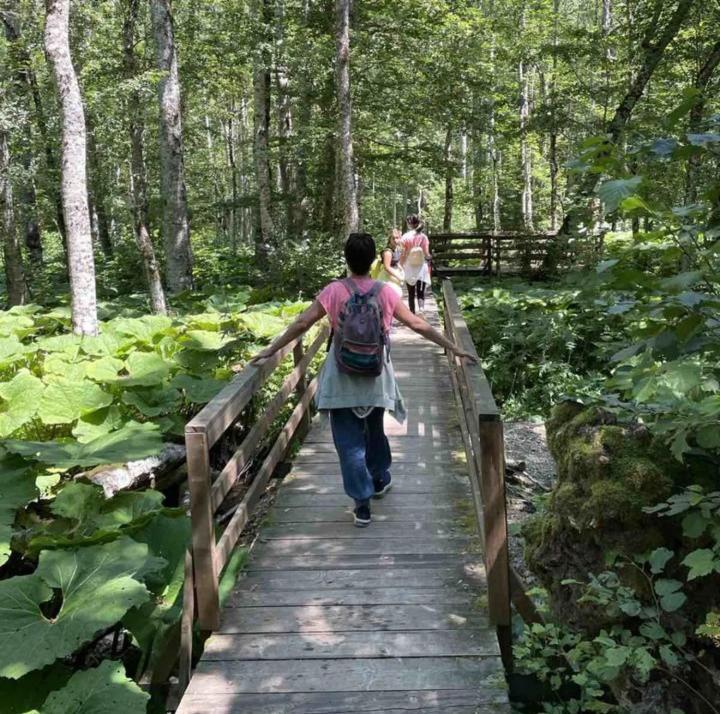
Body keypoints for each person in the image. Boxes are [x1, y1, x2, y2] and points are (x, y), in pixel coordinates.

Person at [251, 232, 476, 527]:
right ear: (372, 261)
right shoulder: (385, 292)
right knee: (374, 429)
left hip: (341, 376)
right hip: (376, 374)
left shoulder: (333, 291)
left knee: (348, 442)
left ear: (346, 259)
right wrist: (453, 347)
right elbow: (417, 323)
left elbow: (303, 322)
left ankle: (362, 503)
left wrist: (270, 350)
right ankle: (380, 477)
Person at [400, 215, 431, 314]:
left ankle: (412, 312)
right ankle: (421, 310)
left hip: (409, 267)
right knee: (421, 291)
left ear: (409, 224)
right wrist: (430, 258)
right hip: (421, 267)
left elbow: (403, 254)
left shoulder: (405, 237)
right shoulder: (423, 237)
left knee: (411, 292)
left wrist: (400, 265)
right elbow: (426, 254)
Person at [371, 228, 404, 297]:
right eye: (393, 238)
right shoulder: (388, 252)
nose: (395, 240)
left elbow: (395, 261)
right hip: (386, 278)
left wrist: (400, 268)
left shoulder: (397, 249)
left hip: (393, 278)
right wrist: (398, 277)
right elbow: (387, 267)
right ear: (390, 239)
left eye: (397, 238)